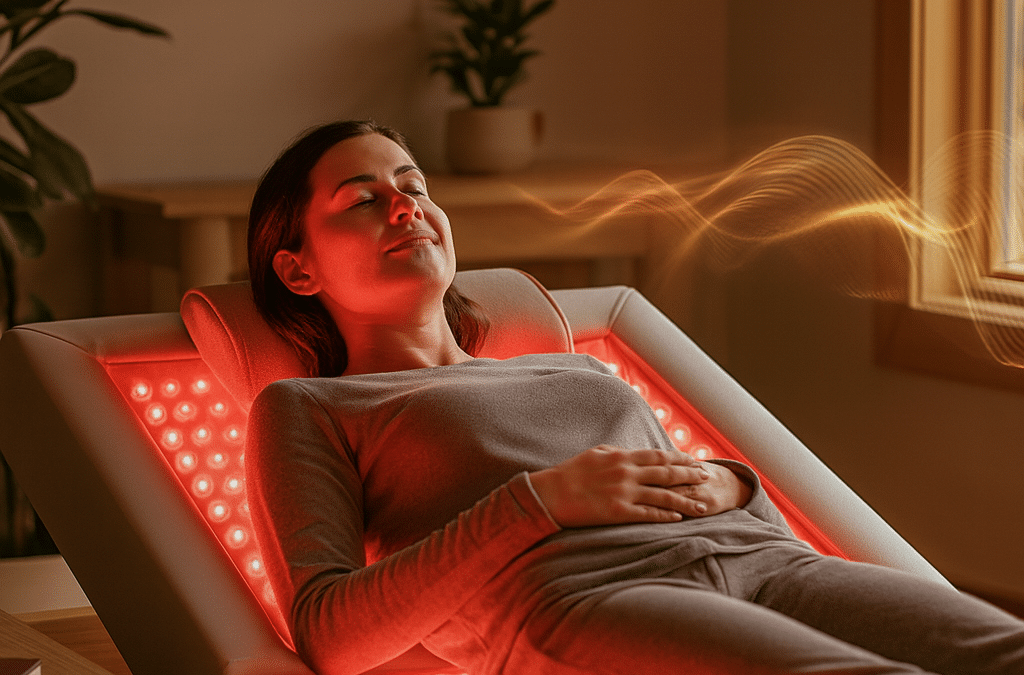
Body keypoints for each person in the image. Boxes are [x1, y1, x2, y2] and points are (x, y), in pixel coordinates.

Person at [244, 120, 1024, 675]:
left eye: (412, 187)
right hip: (585, 600)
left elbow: (741, 518)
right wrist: (538, 502)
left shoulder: (574, 367)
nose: (405, 206)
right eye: (362, 199)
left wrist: (731, 482)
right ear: (297, 270)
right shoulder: (308, 407)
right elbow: (329, 635)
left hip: (760, 559)